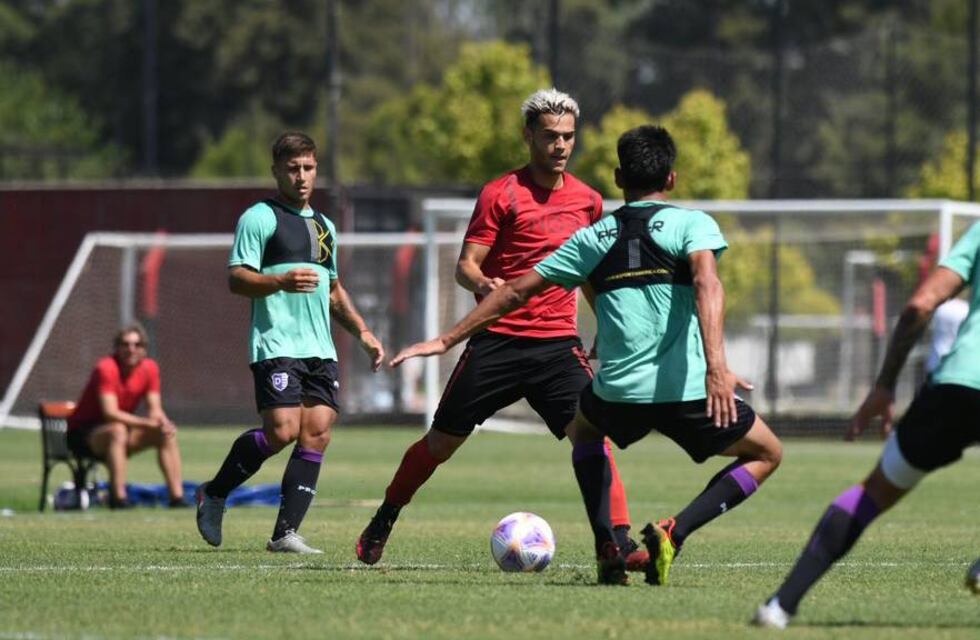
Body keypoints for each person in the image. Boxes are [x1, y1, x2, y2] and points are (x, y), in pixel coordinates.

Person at [389, 125, 783, 586]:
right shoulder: (691, 224)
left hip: (618, 393)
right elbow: (707, 284)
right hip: (688, 388)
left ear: (618, 178)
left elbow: (514, 290)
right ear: (672, 179)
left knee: (588, 428)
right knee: (767, 453)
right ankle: (674, 532)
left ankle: (610, 546)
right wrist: (718, 367)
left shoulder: (593, 238)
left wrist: (447, 339)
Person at [356, 88, 647, 571]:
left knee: (593, 435)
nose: (560, 146)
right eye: (551, 136)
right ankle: (386, 516)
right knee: (440, 445)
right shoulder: (501, 194)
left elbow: (591, 273)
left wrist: (610, 327)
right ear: (528, 135)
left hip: (558, 347)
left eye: (569, 137)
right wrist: (484, 281)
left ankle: (613, 542)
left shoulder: (589, 202)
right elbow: (465, 266)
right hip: (498, 342)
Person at [753, 222, 980, 629]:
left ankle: (779, 607)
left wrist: (884, 385)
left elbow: (920, 304)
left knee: (872, 492)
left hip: (958, 384)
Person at [195, 131, 384, 554]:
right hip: (276, 342)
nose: (302, 177)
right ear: (277, 170)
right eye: (293, 168)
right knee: (282, 431)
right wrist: (278, 280)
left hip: (321, 348)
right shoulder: (259, 218)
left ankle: (285, 533)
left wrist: (364, 333)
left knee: (316, 433)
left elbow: (334, 290)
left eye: (309, 168)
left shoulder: (324, 227)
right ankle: (215, 492)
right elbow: (236, 278)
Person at [66, 324, 186, 508]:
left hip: (119, 433)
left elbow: (155, 408)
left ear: (144, 349)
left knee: (165, 434)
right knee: (118, 430)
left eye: (137, 345)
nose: (131, 349)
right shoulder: (106, 368)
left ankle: (177, 498)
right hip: (84, 435)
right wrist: (147, 423)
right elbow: (110, 413)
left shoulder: (150, 368)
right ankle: (118, 498)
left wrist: (163, 423)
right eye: (125, 344)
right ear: (117, 347)